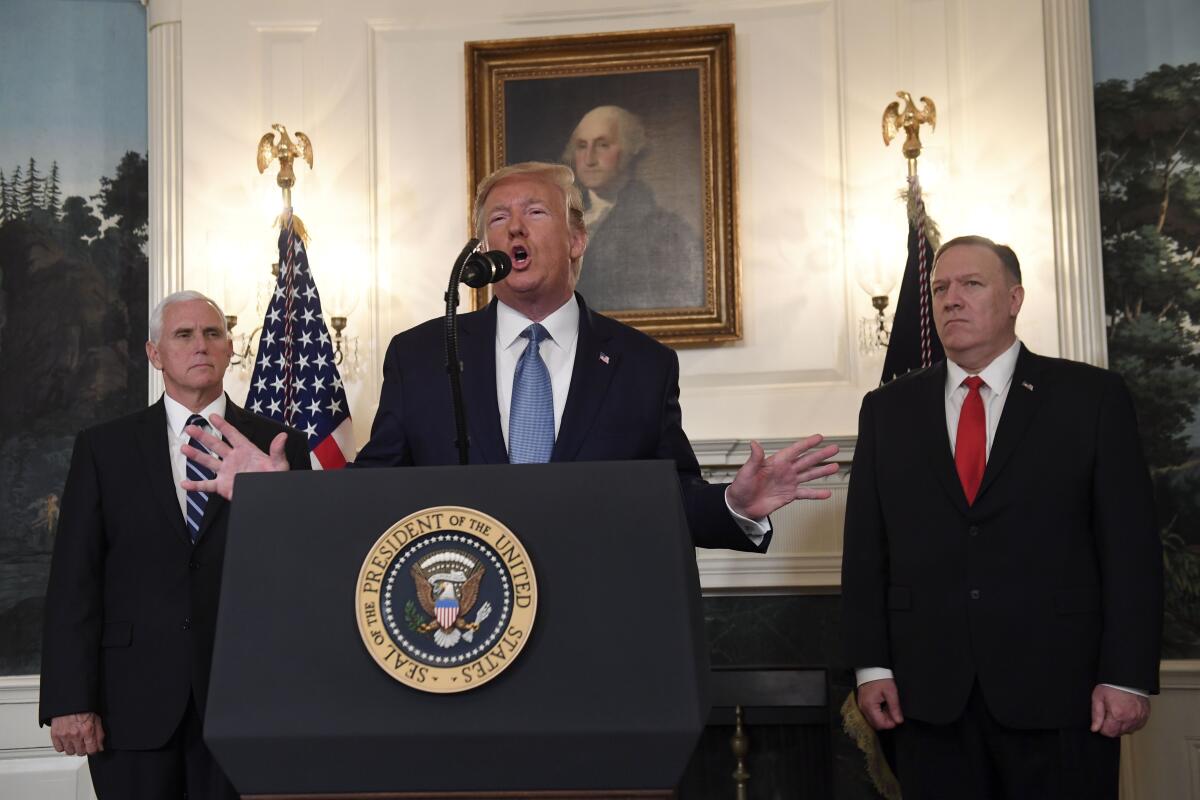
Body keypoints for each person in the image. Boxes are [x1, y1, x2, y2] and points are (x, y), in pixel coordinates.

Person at [184, 161, 839, 553]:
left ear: (578, 238)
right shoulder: (420, 358)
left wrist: (736, 506)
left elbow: (670, 497)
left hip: (598, 641)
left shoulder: (640, 364)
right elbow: (374, 491)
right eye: (497, 219)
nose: (514, 229)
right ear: (482, 247)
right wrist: (281, 495)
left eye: (535, 212)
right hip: (459, 635)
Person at [841, 235, 1163, 799]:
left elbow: (1130, 550)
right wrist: (872, 667)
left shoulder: (1091, 398)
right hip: (929, 699)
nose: (950, 300)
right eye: (940, 288)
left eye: (971, 284)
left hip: (1061, 692)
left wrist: (1126, 675)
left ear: (1014, 299)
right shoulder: (886, 410)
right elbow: (867, 552)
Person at [39, 291, 310, 799]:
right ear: (154, 353)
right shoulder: (104, 447)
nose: (200, 345)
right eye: (183, 335)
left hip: (249, 700)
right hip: (131, 706)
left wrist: (279, 497)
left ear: (231, 349)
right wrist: (69, 698)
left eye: (212, 334)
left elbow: (303, 574)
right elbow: (75, 579)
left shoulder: (279, 446)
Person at [563, 105, 704, 311]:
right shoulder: (560, 218)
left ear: (631, 151)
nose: (589, 159)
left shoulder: (667, 230)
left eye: (603, 145)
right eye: (582, 146)